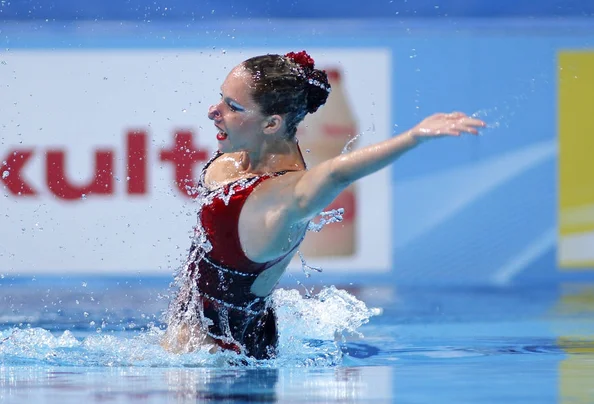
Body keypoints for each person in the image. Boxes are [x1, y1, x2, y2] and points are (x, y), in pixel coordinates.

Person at [161, 50, 486, 359]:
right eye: (221, 97)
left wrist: (413, 137)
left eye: (232, 106)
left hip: (228, 365)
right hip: (196, 346)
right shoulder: (247, 152)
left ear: (272, 124)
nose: (213, 111)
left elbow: (335, 173)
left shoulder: (285, 197)